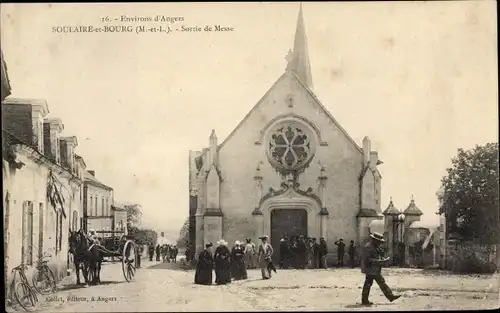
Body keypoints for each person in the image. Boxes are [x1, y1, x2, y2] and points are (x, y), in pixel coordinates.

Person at [360, 232, 401, 306]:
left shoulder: (375, 246)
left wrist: (382, 259)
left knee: (372, 284)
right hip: (370, 270)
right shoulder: (369, 247)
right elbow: (368, 259)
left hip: (374, 269)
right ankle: (390, 296)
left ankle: (365, 300)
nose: (380, 243)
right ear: (374, 240)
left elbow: (377, 256)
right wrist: (380, 261)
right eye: (379, 241)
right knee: (373, 284)